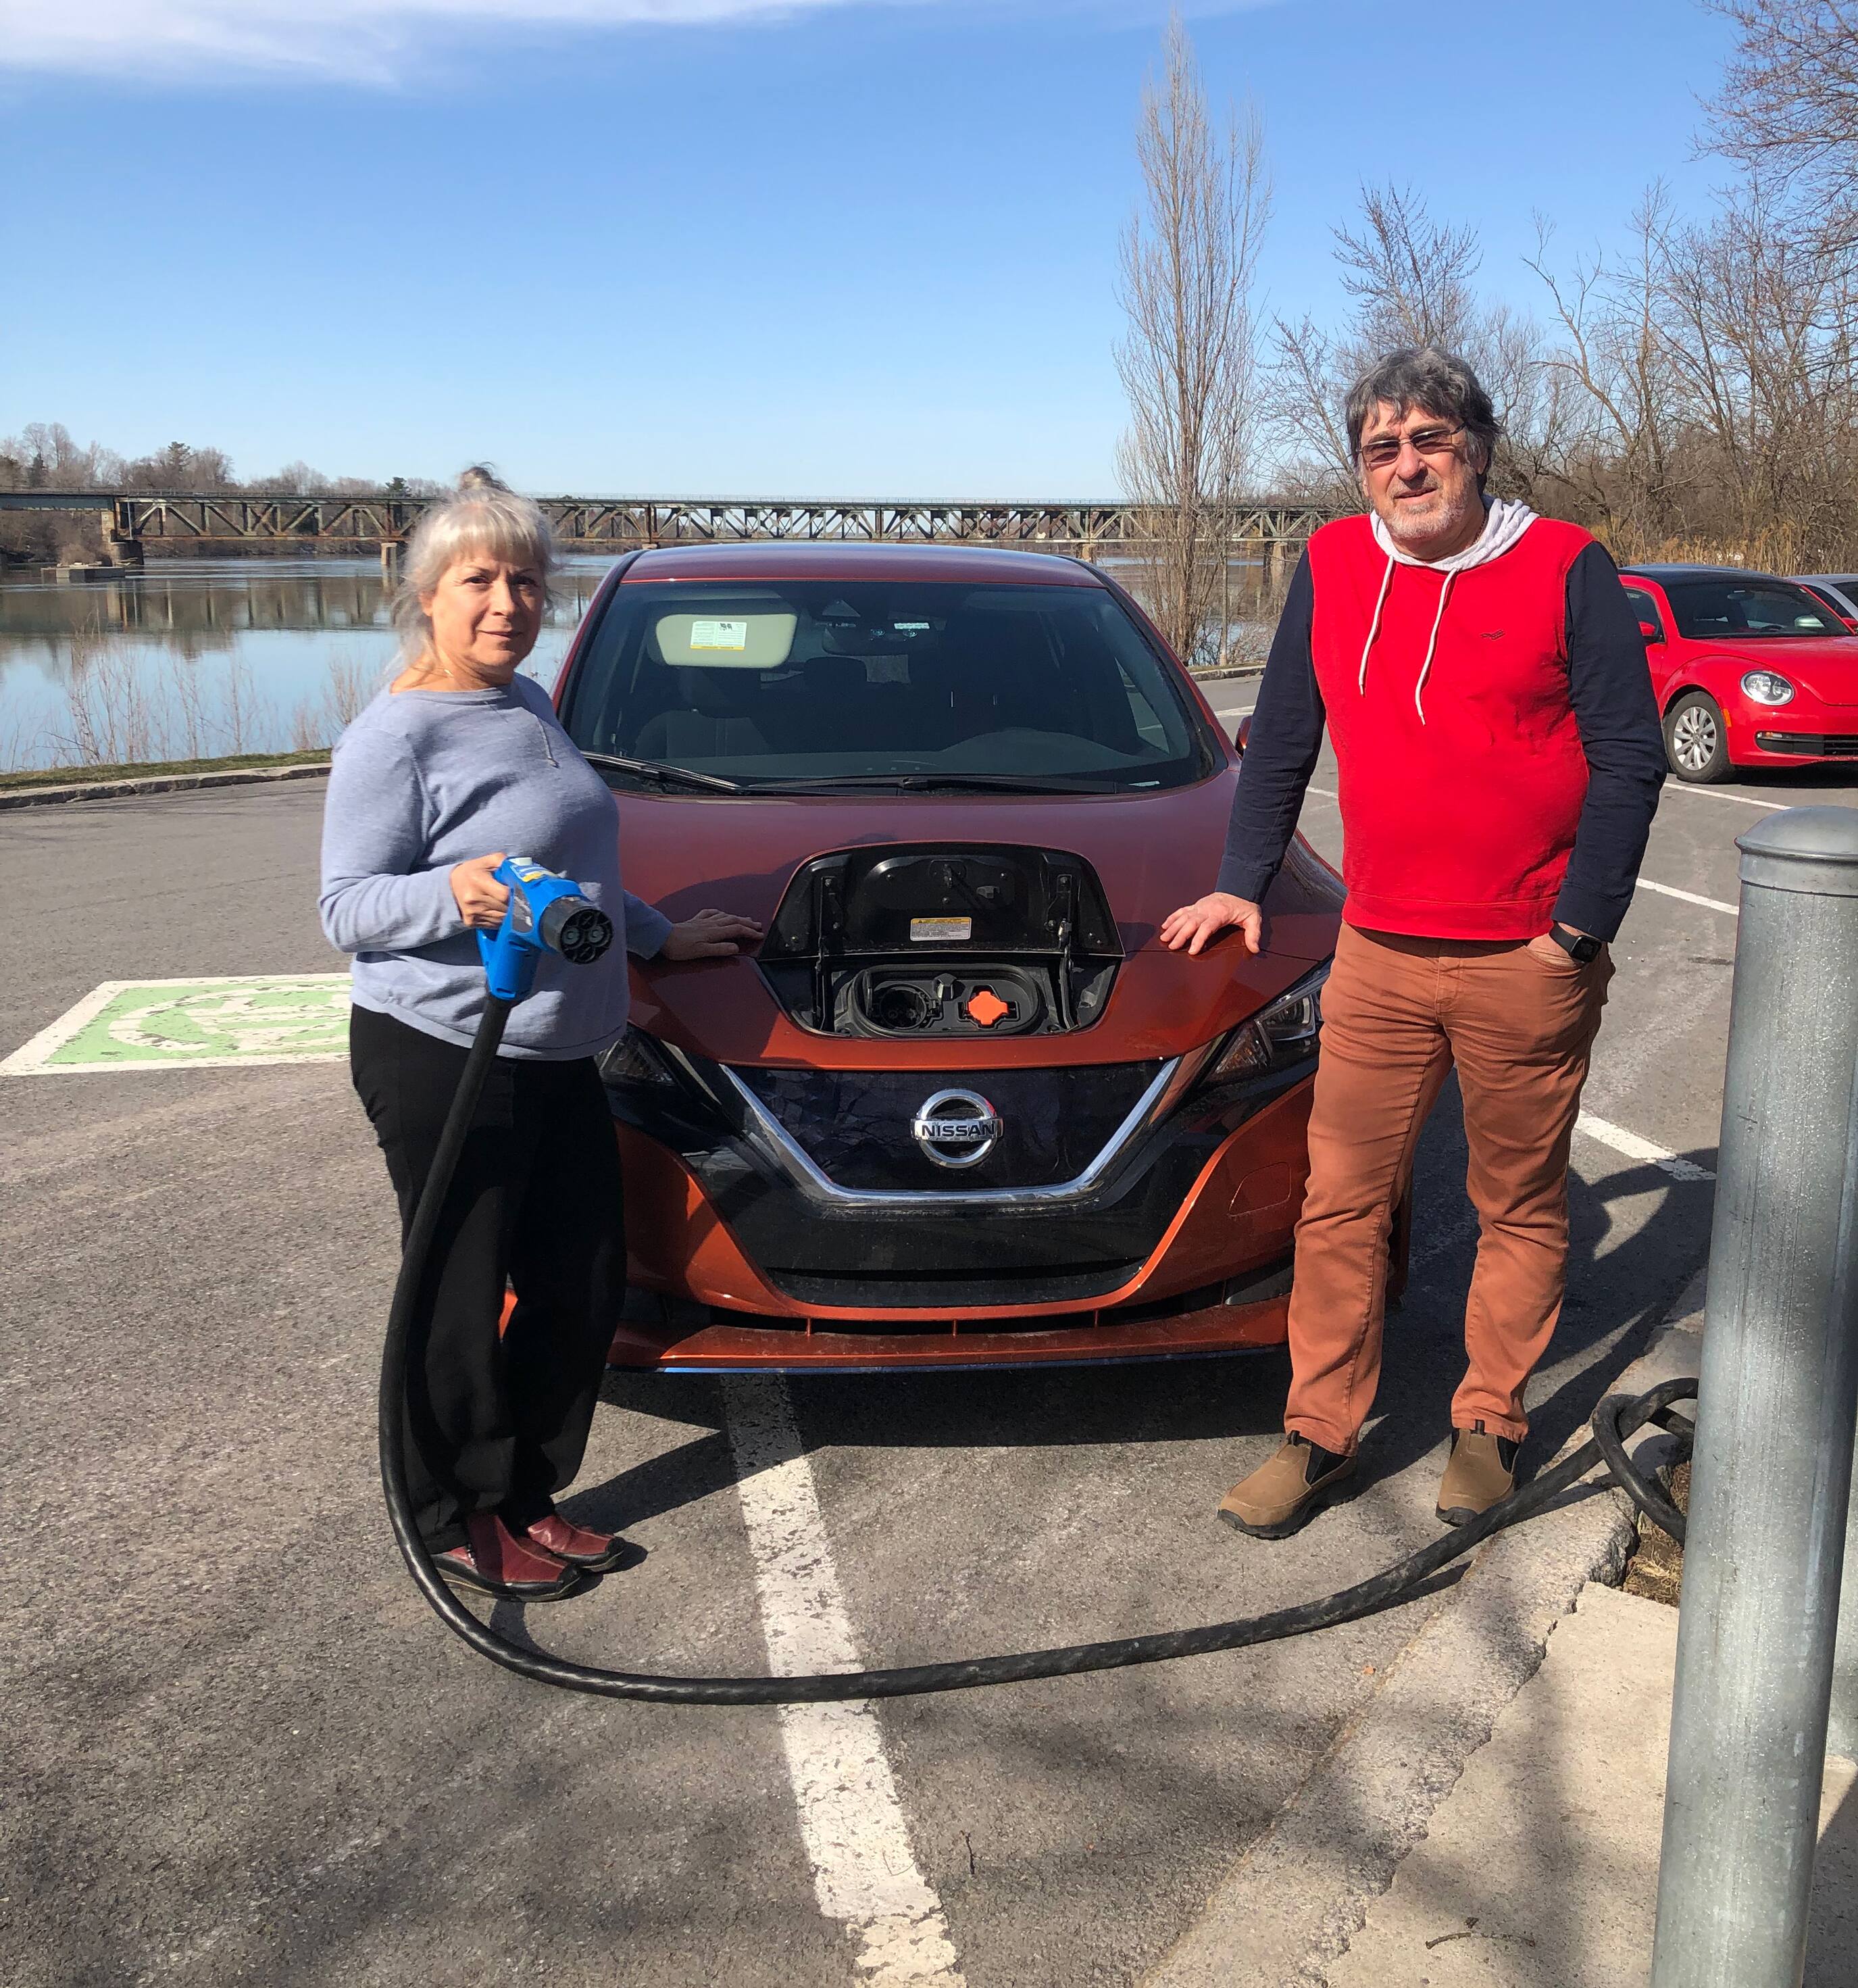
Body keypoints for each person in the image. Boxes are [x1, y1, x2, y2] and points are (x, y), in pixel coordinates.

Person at [1161, 348, 1665, 1540]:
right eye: (1381, 447)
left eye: (1429, 439)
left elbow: (1629, 756)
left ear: (1477, 449)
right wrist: (1241, 882)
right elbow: (1280, 737)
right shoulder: (1332, 564)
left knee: (1517, 1202)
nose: (1406, 463)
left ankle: (1488, 1421)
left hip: (1522, 955)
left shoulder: (1563, 565)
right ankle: (1318, 1433)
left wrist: (1575, 930)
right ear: (1359, 469)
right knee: (1339, 1200)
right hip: (1378, 951)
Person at [321, 468, 761, 1601]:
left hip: (563, 1045)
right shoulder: (395, 736)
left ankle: (523, 1489)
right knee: (459, 1298)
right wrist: (450, 896)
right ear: (427, 593)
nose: (505, 602)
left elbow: (573, 861)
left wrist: (656, 933)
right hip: (448, 1054)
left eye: (523, 580)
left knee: (581, 1281)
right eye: (477, 579)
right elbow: (346, 907)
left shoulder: (525, 702)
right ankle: (455, 1512)